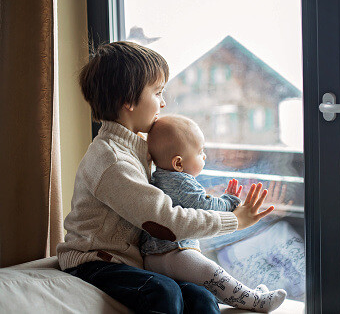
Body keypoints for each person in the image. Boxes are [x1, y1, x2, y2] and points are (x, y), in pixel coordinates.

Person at [56, 41, 274, 314]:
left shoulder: (138, 149)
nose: (163, 102)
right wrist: (234, 220)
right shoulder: (111, 160)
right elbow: (165, 222)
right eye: (157, 92)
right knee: (162, 291)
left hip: (127, 262)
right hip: (94, 262)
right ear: (128, 100)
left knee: (202, 297)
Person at [141, 115, 287, 313]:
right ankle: (255, 301)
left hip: (163, 253)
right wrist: (230, 203)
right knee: (211, 273)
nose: (205, 157)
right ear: (178, 163)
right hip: (169, 253)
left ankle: (246, 296)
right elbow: (203, 204)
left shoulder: (166, 178)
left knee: (208, 280)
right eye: (200, 153)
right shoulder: (179, 182)